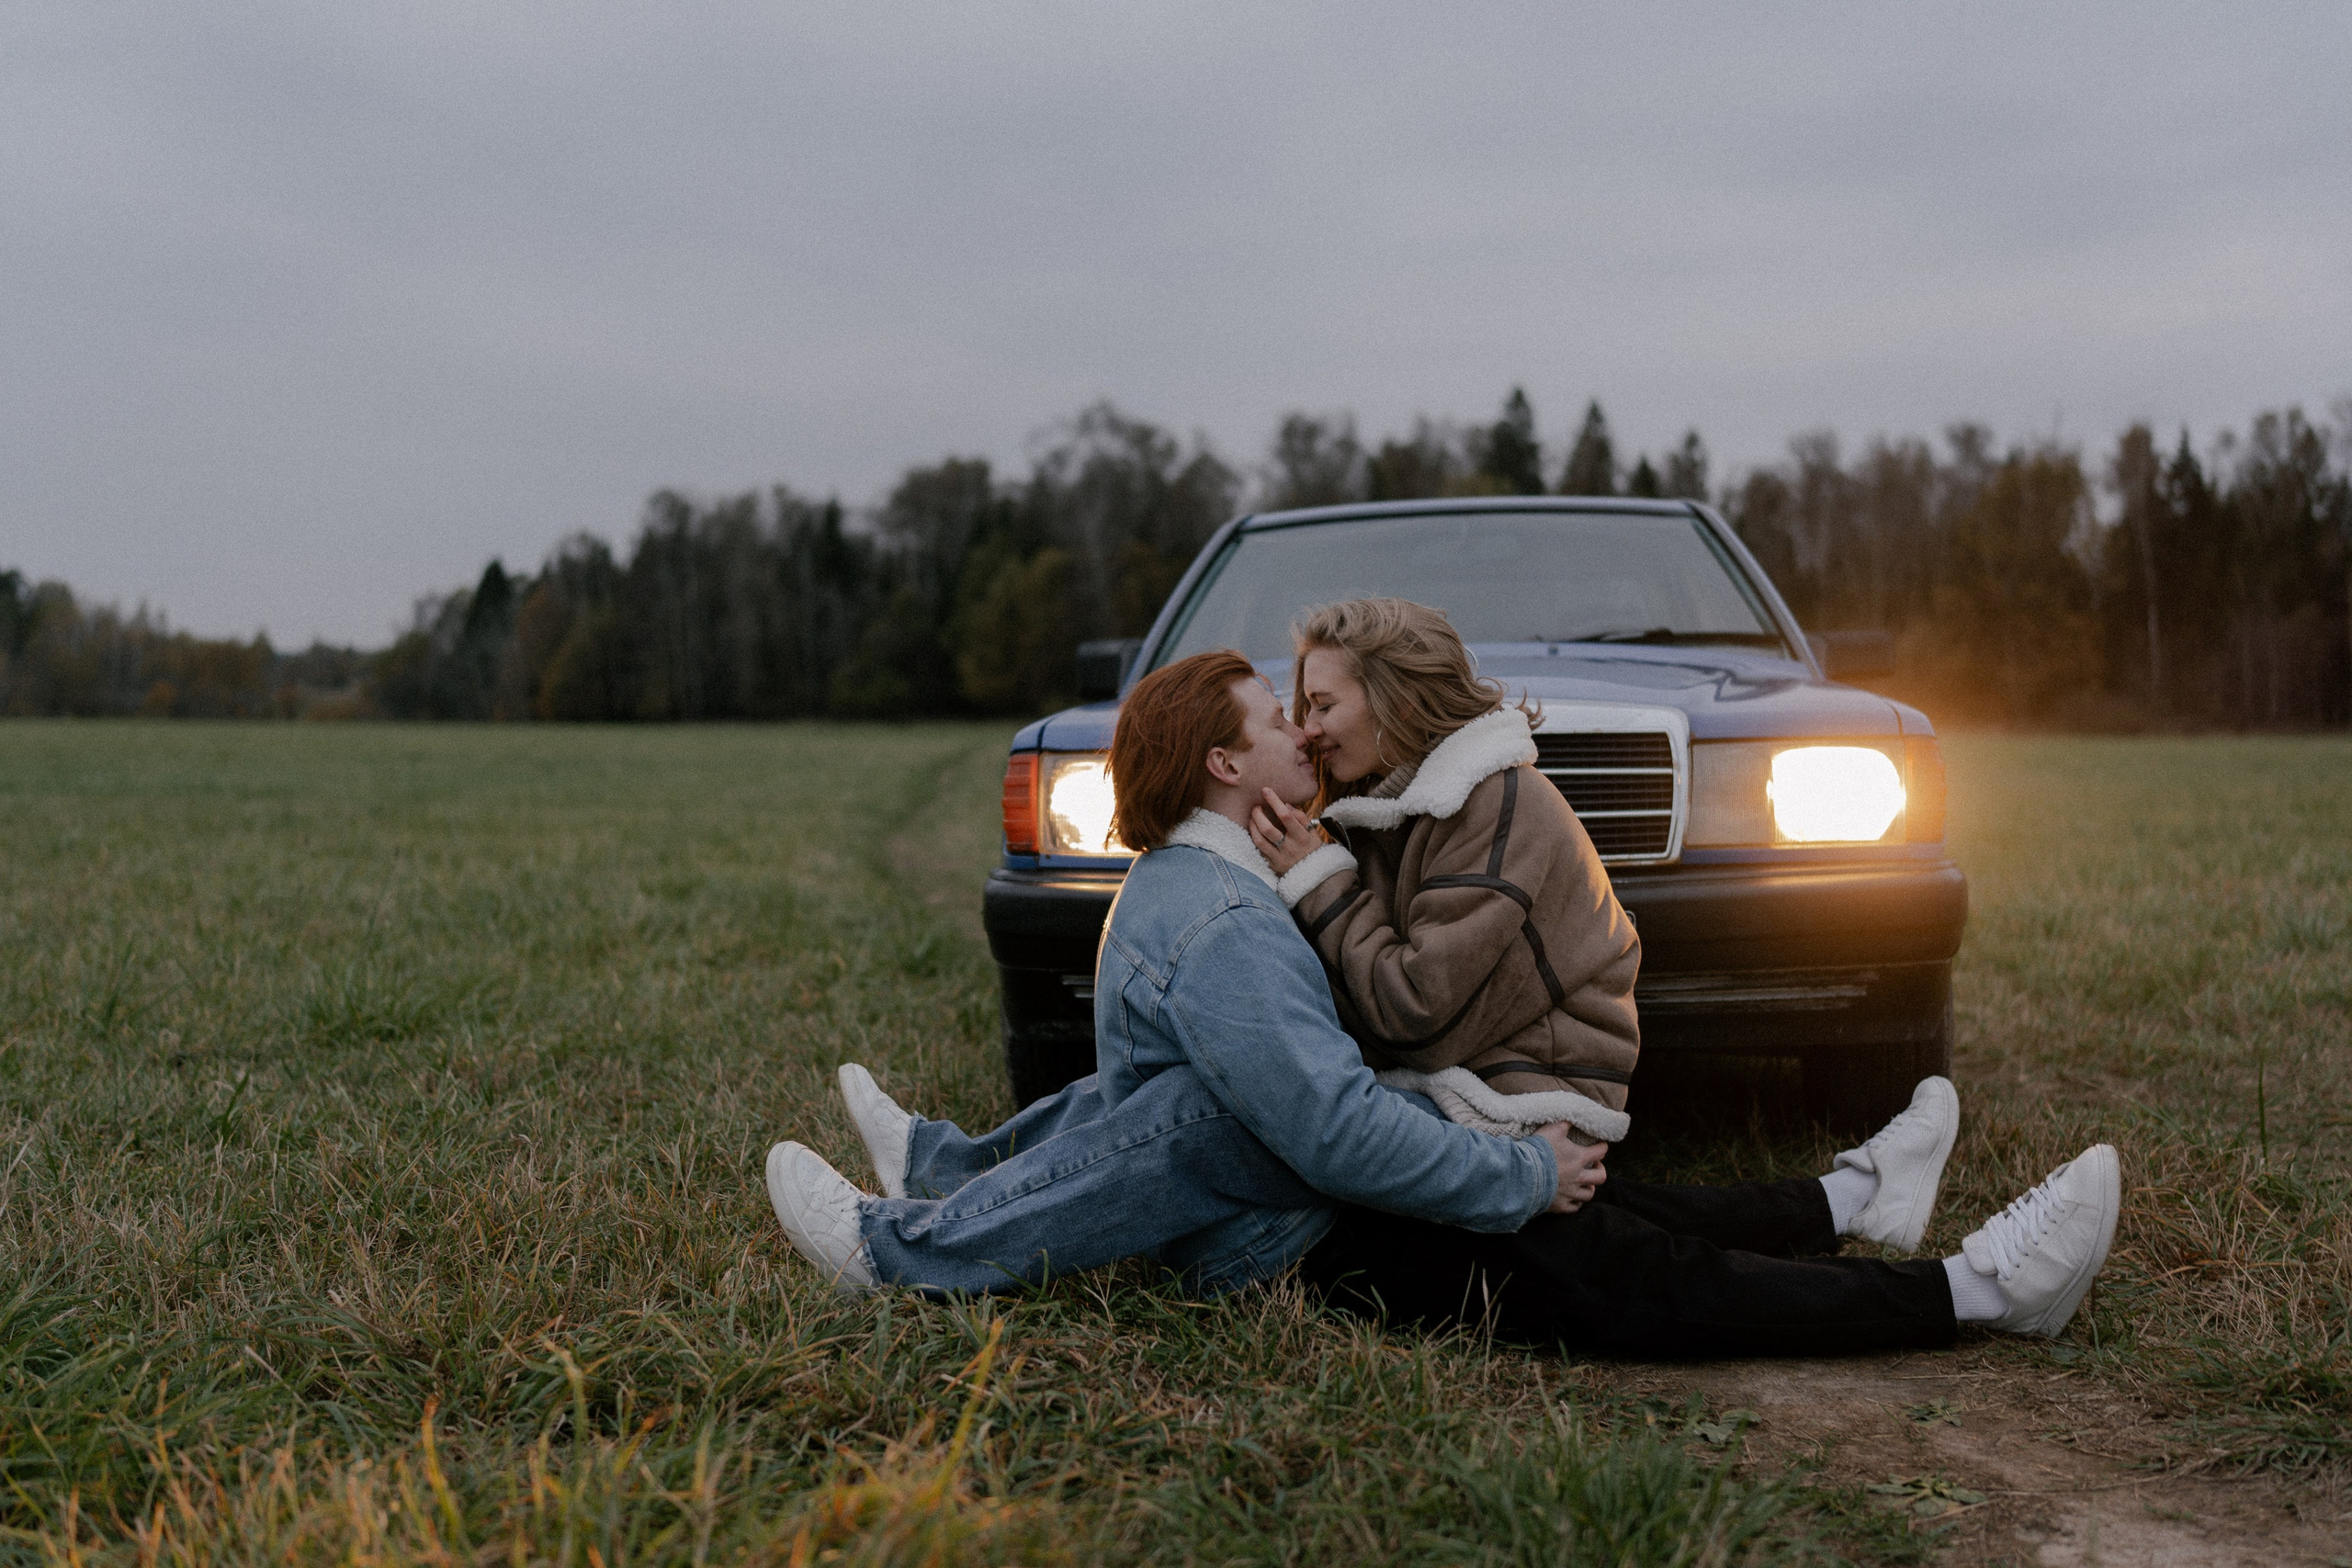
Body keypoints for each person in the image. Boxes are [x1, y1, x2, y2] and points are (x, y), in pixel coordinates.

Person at [763, 650, 2122, 1351]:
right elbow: (1336, 1133)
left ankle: (1849, 1204)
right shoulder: (1226, 926)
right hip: (1296, 1241)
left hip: (1299, 1203)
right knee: (1630, 1280)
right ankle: (1980, 1294)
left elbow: (1175, 1103)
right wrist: (1509, 1174)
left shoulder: (1211, 884)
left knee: (1615, 1196)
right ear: (1234, 766)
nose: (1308, 727)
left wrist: (1518, 1155)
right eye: (1280, 716)